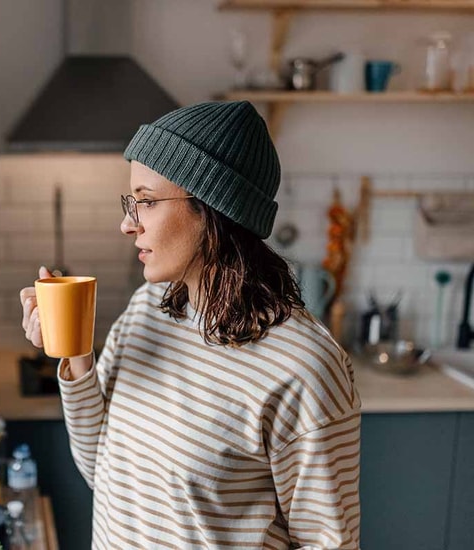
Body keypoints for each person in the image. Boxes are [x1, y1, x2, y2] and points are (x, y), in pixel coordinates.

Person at [19, 101, 361, 549]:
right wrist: (76, 353)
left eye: (147, 201)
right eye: (130, 201)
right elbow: (106, 476)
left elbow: (328, 542)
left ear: (214, 210)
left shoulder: (304, 367)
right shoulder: (147, 310)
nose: (127, 223)